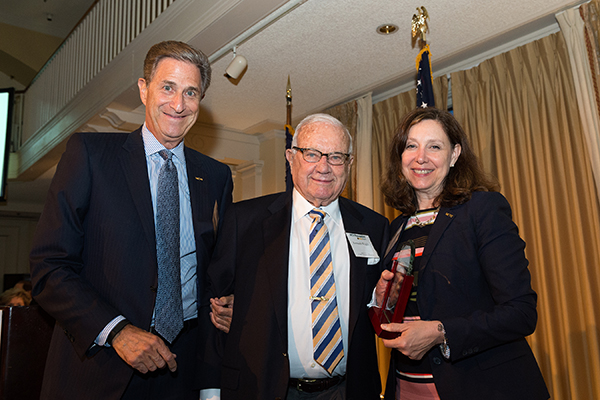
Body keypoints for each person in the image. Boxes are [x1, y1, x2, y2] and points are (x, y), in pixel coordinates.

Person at [29, 40, 233, 400]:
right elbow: (50, 267)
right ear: (144, 89)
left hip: (181, 369)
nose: (178, 104)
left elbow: (214, 268)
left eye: (191, 92)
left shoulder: (215, 176)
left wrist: (227, 300)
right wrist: (117, 331)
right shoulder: (90, 155)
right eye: (167, 87)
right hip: (99, 368)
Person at [207, 114, 389, 399]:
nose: (324, 167)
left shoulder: (374, 226)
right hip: (264, 388)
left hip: (348, 390)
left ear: (349, 164)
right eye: (312, 154)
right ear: (291, 157)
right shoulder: (245, 221)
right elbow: (214, 306)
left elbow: (377, 304)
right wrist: (210, 391)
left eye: (336, 157)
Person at [375, 107, 549, 399]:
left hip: (479, 385)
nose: (421, 157)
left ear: (454, 154)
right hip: (406, 384)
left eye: (434, 146)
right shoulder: (396, 227)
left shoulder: (482, 210)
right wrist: (383, 300)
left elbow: (521, 313)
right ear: (400, 157)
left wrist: (442, 332)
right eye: (411, 146)